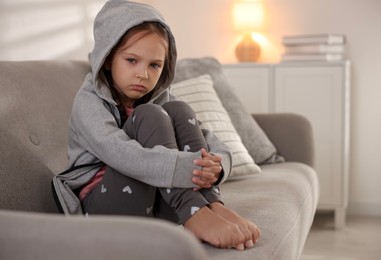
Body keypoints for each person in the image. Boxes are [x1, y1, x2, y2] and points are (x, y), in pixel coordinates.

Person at [64, 0, 260, 250]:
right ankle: (193, 212)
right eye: (132, 60)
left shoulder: (159, 98)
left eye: (154, 65)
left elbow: (208, 136)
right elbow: (121, 154)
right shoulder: (88, 101)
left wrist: (218, 167)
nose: (143, 74)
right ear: (108, 57)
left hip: (153, 202)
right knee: (150, 115)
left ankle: (211, 205)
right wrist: (190, 167)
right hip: (104, 210)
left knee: (179, 109)